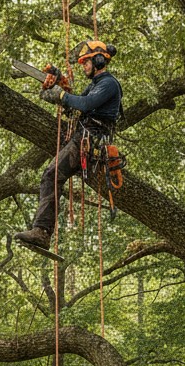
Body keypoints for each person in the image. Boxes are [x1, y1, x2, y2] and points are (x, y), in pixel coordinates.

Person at [14, 40, 123, 252]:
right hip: (83, 137)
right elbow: (75, 107)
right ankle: (43, 231)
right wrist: (56, 91)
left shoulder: (108, 84)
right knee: (51, 175)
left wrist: (62, 95)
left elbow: (85, 104)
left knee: (51, 175)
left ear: (99, 60)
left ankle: (42, 231)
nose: (84, 67)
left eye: (86, 63)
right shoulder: (93, 85)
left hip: (90, 140)